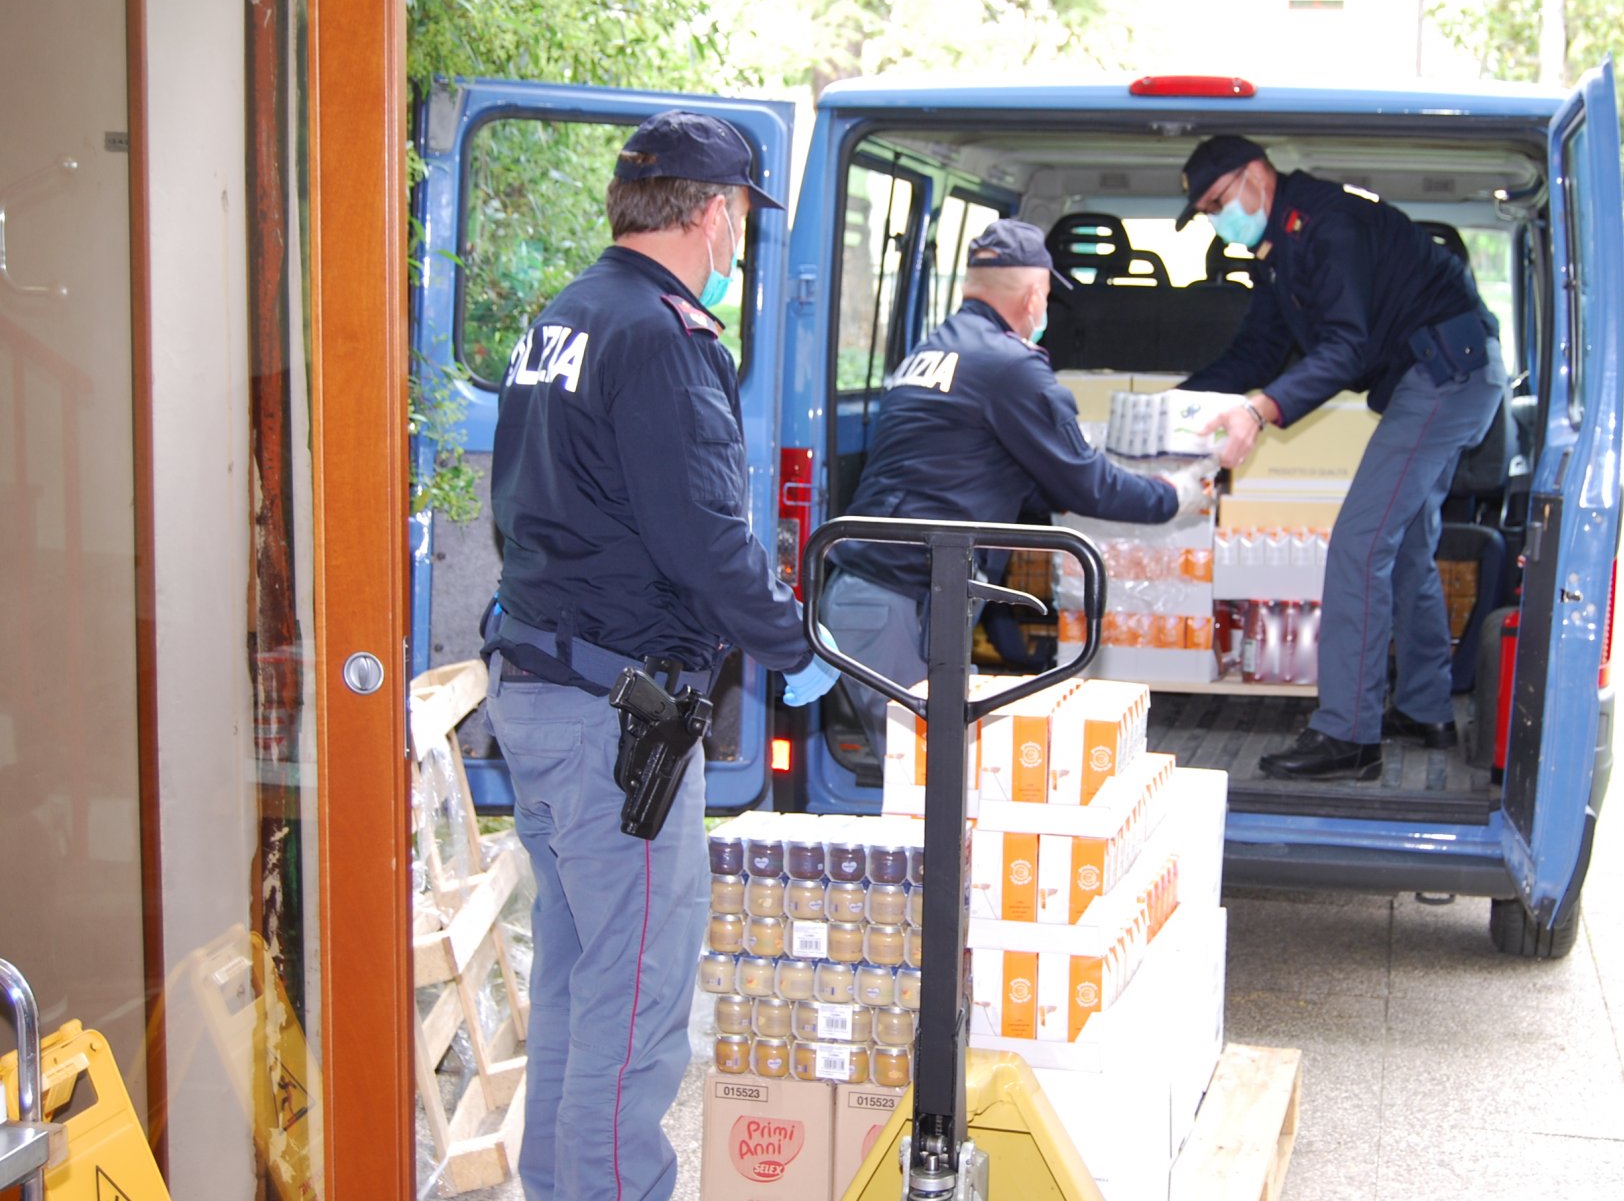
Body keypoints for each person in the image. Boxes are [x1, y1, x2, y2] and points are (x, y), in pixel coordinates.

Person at [479, 111, 840, 1201]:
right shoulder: (662, 340)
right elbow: (705, 538)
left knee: (581, 979)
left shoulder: (568, 315)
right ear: (714, 210)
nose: (739, 242)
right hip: (612, 721)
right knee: (636, 1001)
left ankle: (559, 1185)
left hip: (544, 683)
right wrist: (793, 643)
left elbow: (521, 508)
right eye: (739, 219)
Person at [1175, 135, 1505, 781]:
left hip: (1446, 371)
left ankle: (1348, 734)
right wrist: (1178, 403)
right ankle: (1425, 706)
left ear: (1256, 175)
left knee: (1358, 544)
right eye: (1208, 211)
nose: (1219, 220)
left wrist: (1258, 411)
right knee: (1407, 543)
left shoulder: (1327, 223)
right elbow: (1257, 350)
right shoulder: (1280, 253)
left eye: (1219, 201)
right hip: (1443, 374)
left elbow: (1348, 347)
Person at [819, 218, 1216, 750]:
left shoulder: (933, 351)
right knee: (923, 772)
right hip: (895, 601)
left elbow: (1004, 474)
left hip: (891, 593)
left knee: (938, 776)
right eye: (1048, 295)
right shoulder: (1010, 368)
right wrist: (1178, 494)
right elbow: (1088, 485)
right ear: (1034, 296)